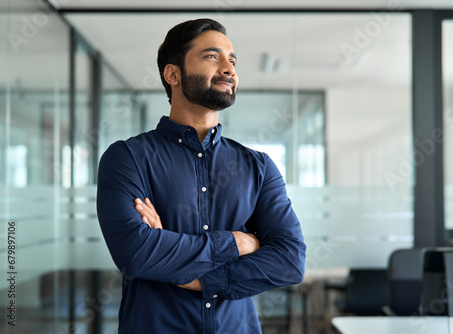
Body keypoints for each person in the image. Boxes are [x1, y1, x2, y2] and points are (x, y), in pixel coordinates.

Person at [96, 18, 306, 334]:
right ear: (172, 74)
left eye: (232, 60)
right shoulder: (128, 157)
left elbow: (289, 261)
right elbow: (136, 253)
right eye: (212, 56)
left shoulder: (259, 166)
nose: (228, 69)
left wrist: (190, 275)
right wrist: (239, 242)